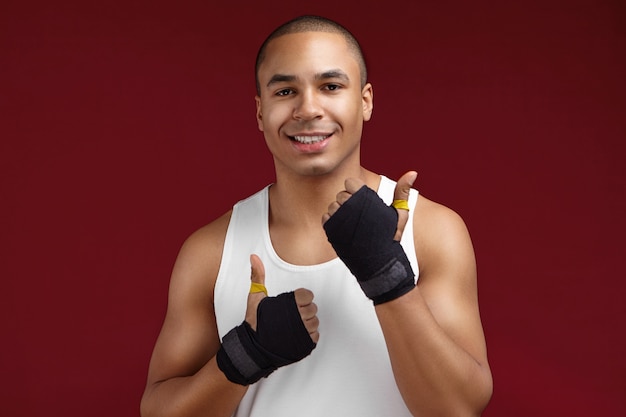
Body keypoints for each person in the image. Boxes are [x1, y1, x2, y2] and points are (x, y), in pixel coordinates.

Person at [140, 15, 493, 417]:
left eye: (330, 86)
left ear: (365, 101)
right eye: (286, 90)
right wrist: (244, 358)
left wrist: (386, 275)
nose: (307, 109)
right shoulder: (211, 251)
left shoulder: (432, 231)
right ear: (260, 112)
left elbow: (458, 408)